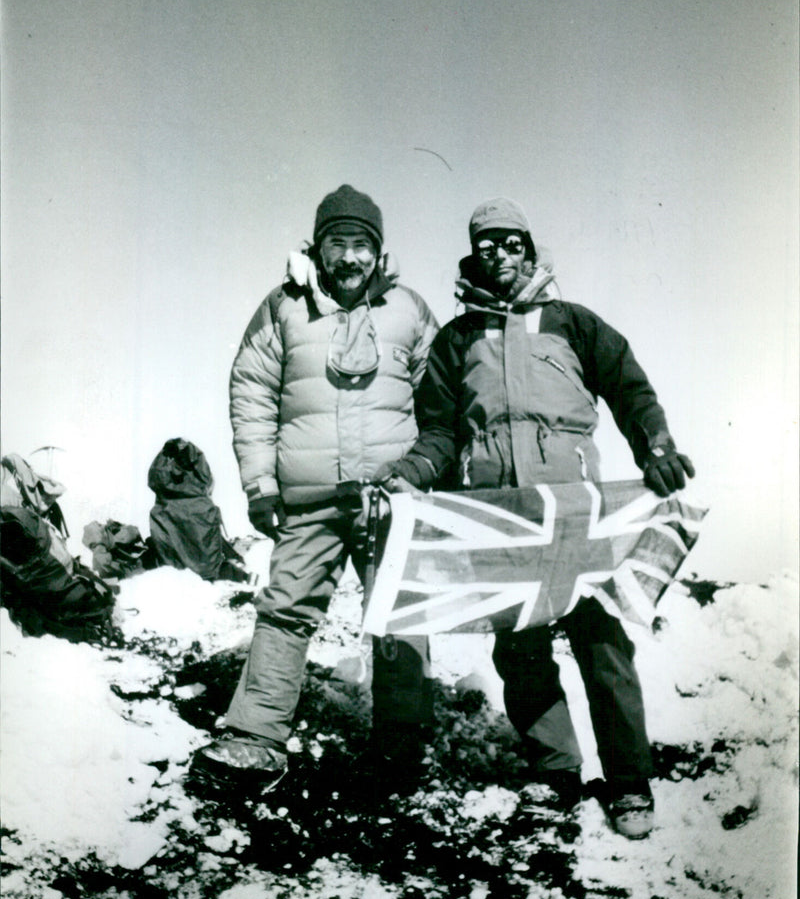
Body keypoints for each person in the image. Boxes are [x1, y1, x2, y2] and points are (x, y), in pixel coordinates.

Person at [380, 197, 695, 838]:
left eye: (510, 242)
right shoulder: (457, 339)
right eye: (486, 245)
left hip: (577, 515)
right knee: (521, 653)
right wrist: (409, 475)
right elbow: (439, 431)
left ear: (528, 246)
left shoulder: (574, 323)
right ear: (475, 256)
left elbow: (630, 390)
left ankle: (629, 784)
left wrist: (655, 449)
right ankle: (555, 776)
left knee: (602, 645)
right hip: (504, 518)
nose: (500, 254)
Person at [192, 184, 439, 792]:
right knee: (285, 610)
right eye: (338, 243)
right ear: (318, 248)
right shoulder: (282, 308)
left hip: (392, 497)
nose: (350, 258)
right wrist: (260, 484)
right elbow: (250, 394)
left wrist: (427, 473)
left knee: (401, 615)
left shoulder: (409, 310)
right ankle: (254, 738)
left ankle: (401, 749)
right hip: (308, 500)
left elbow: (441, 400)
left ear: (377, 253)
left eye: (361, 245)